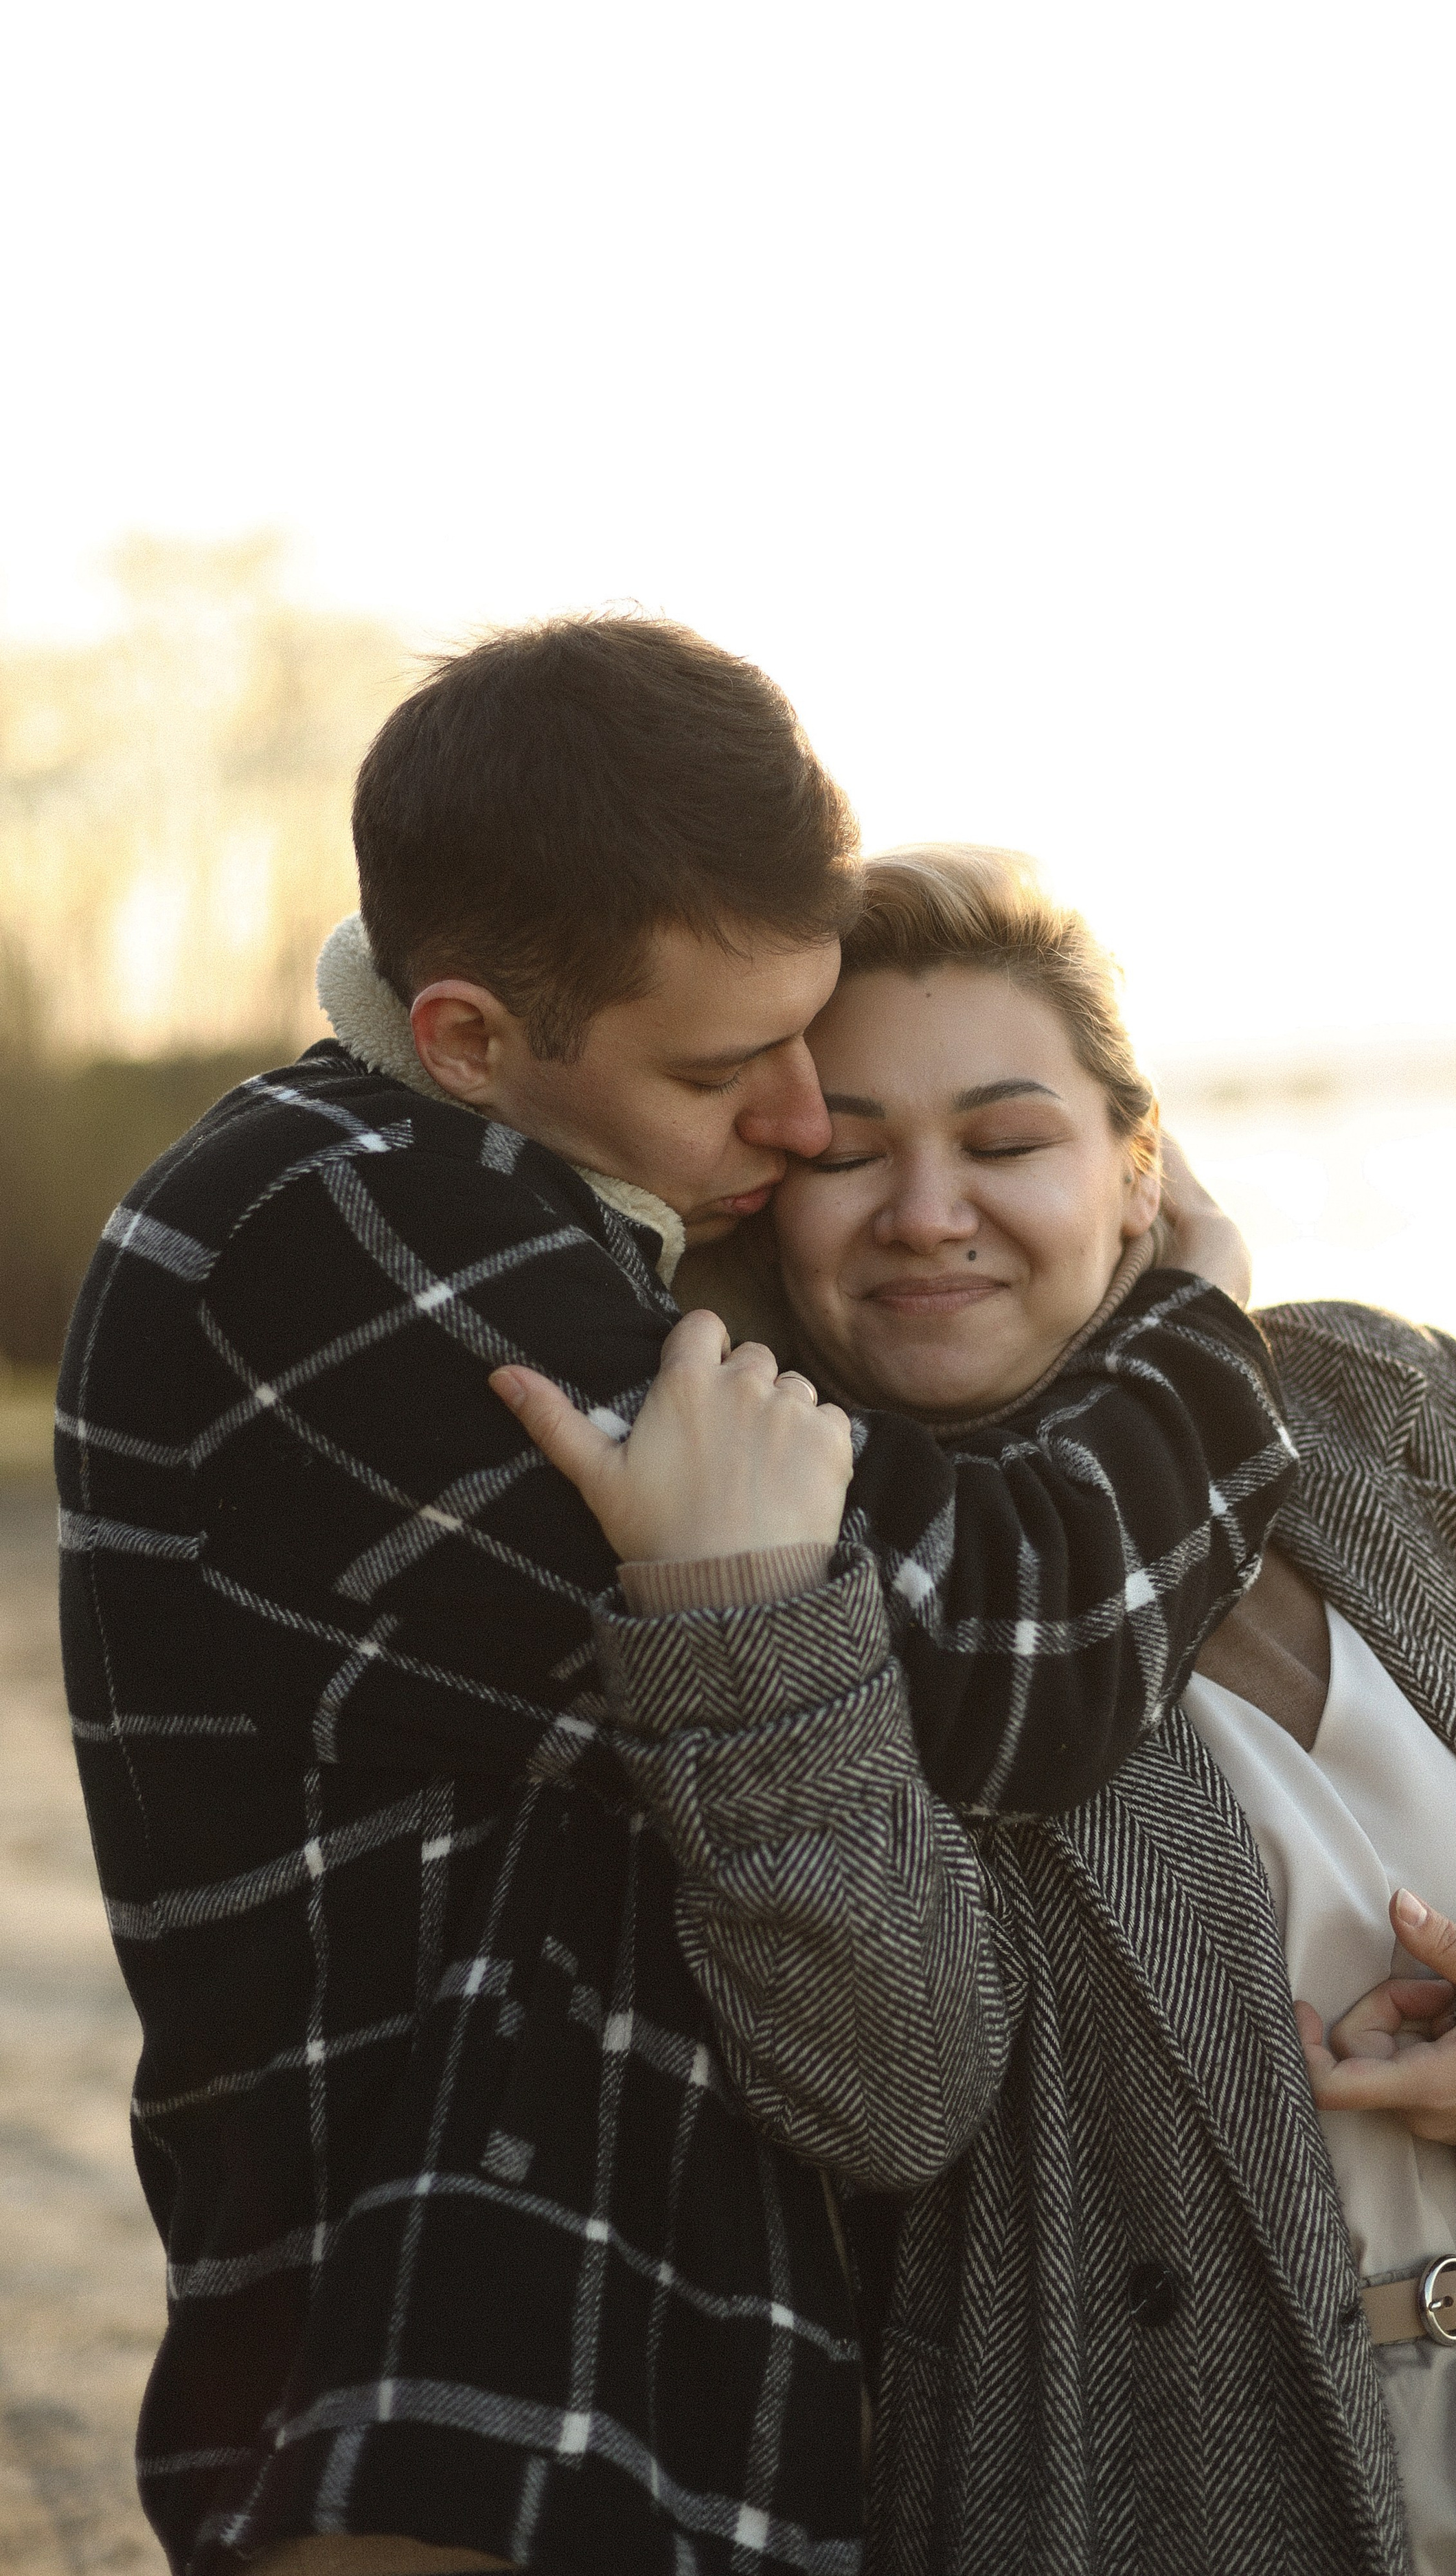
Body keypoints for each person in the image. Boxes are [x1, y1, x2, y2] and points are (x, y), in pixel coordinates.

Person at [59, 622, 1310, 2576]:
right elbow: (1003, 1659)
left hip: (652, 2415)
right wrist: (1207, 1334)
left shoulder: (556, 1225)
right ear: (470, 1034)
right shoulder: (341, 1234)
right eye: (731, 1067)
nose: (809, 1120)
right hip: (460, 2428)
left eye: (810, 1029)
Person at [501, 844, 1456, 2576]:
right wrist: (740, 1630)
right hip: (1139, 2492)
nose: (927, 1210)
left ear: (1133, 1163)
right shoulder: (787, 1546)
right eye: (848, 1152)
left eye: (1006, 1142)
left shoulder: (1384, 1415)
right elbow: (887, 2093)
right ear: (762, 1207)